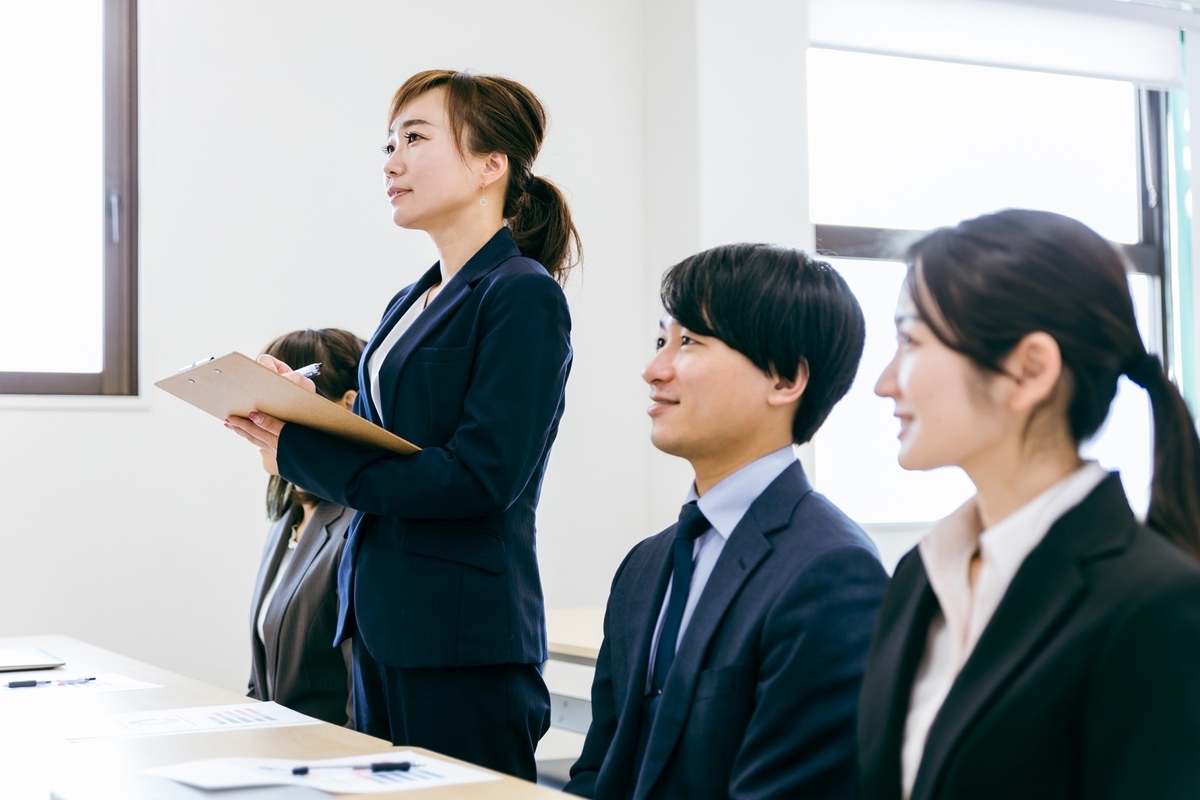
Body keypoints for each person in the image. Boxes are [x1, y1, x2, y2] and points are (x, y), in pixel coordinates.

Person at [225, 70, 577, 780]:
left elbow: (481, 477)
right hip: (378, 625)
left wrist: (304, 456)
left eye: (415, 138)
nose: (391, 162)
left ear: (491, 165)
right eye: (390, 143)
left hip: (460, 639)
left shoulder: (522, 294)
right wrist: (300, 403)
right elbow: (383, 433)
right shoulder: (410, 299)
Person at [857, 209, 1200, 800]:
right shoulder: (919, 577)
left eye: (910, 340)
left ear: (1029, 370)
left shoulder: (1156, 605)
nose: (884, 382)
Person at [565, 244, 888, 800]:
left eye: (688, 342)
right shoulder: (644, 566)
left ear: (785, 380)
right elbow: (599, 769)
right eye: (660, 340)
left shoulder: (833, 572)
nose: (654, 369)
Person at [247, 328, 364, 727]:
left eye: (286, 401)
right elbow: (262, 681)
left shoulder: (358, 526)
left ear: (349, 405)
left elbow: (362, 703)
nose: (260, 419)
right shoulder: (287, 524)